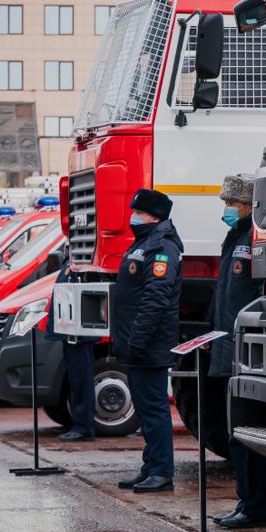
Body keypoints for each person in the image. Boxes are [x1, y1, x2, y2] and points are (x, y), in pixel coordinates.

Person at [208, 173, 266, 529]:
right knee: (236, 433)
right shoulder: (235, 238)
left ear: (249, 204)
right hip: (229, 347)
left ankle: (254, 505)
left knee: (245, 433)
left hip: (244, 350)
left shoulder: (253, 237)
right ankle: (247, 501)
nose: (227, 210)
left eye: (232, 203)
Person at [113, 188, 183, 494]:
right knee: (145, 408)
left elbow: (156, 298)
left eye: (138, 212)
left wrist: (138, 340)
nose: (133, 216)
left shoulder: (162, 247)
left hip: (148, 345)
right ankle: (150, 466)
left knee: (154, 409)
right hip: (137, 343)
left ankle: (161, 472)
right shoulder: (145, 242)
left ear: (153, 215)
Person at [45, 254, 97, 443]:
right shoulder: (71, 262)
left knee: (82, 380)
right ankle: (79, 422)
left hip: (79, 332)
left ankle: (84, 426)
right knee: (76, 379)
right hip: (69, 330)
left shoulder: (84, 264)